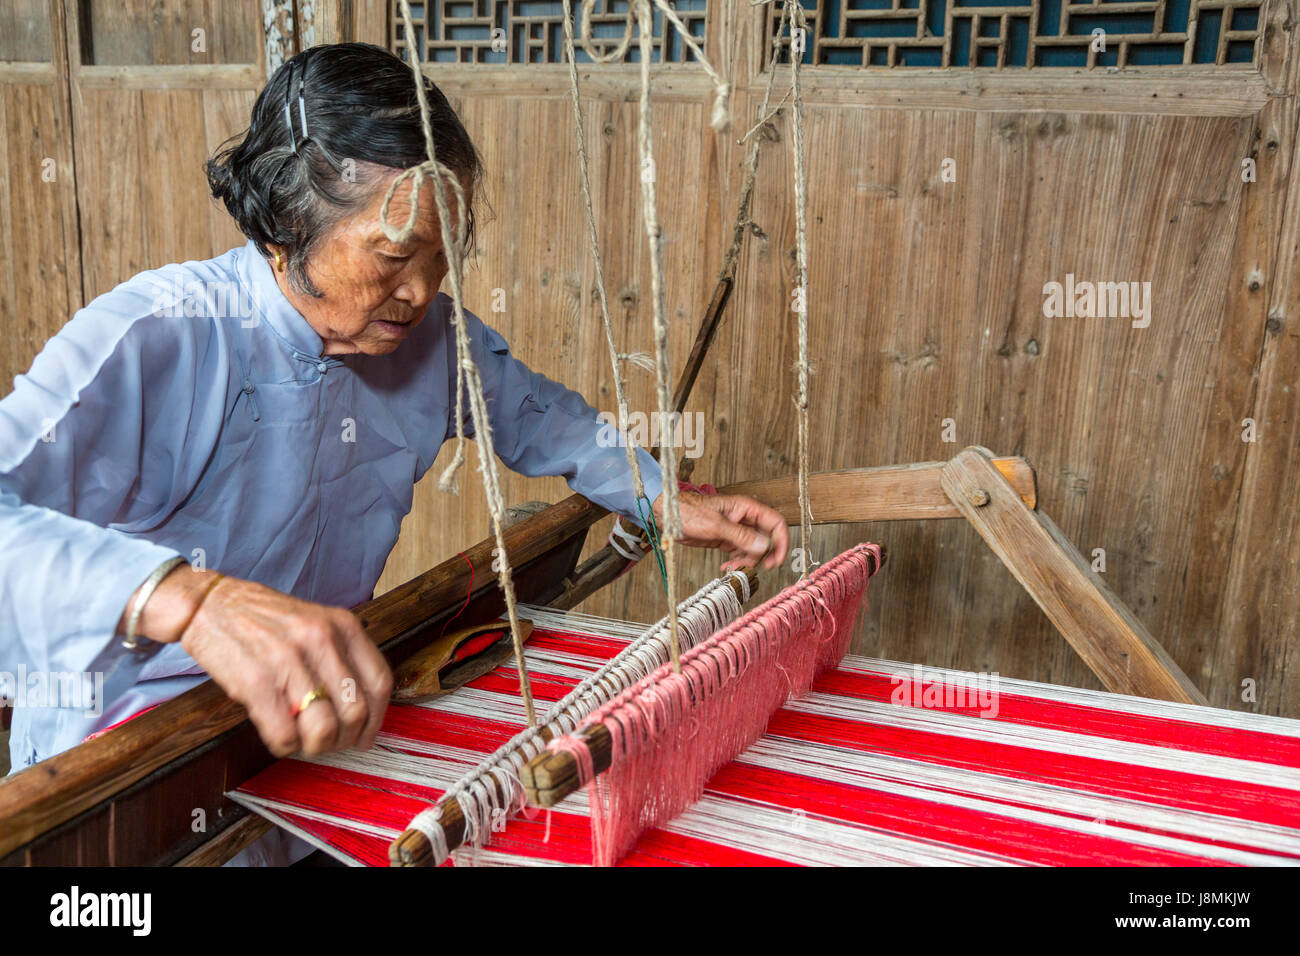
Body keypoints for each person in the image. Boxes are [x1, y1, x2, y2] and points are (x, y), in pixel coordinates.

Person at [0, 41, 789, 816]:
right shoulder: (162, 334)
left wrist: (660, 496)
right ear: (284, 226)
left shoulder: (432, 341)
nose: (417, 293)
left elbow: (542, 418)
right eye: (392, 256)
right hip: (130, 763)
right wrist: (189, 602)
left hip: (316, 731)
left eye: (442, 260)